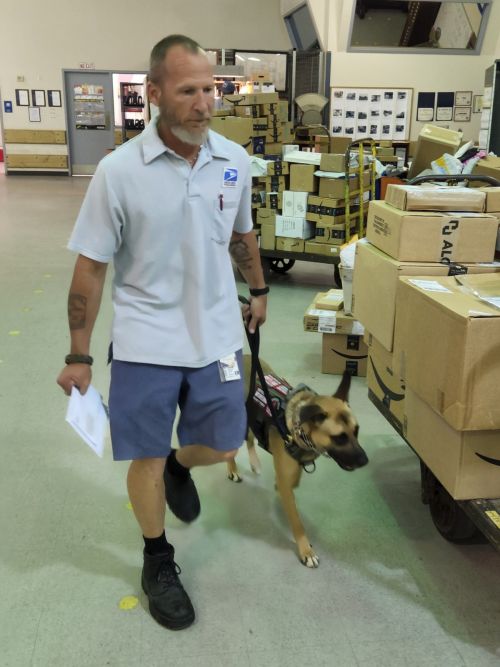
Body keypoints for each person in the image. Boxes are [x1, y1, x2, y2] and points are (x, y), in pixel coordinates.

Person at [56, 34, 268, 631]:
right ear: (153, 93)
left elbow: (241, 234)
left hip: (217, 335)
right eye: (188, 91)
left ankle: (181, 464)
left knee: (225, 444)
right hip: (146, 341)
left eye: (210, 90)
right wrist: (79, 355)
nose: (204, 104)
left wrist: (258, 290)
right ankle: (157, 559)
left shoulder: (234, 159)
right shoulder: (119, 172)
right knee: (142, 455)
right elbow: (90, 267)